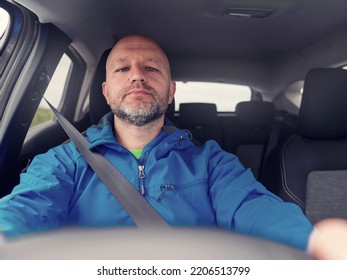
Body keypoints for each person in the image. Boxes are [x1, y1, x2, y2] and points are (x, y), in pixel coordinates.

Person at [0, 34, 346, 259]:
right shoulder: (65, 160)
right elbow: (28, 207)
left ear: (170, 91)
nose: (137, 75)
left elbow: (252, 206)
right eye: (122, 68)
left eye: (152, 68)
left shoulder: (211, 161)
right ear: (106, 92)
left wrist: (311, 242)